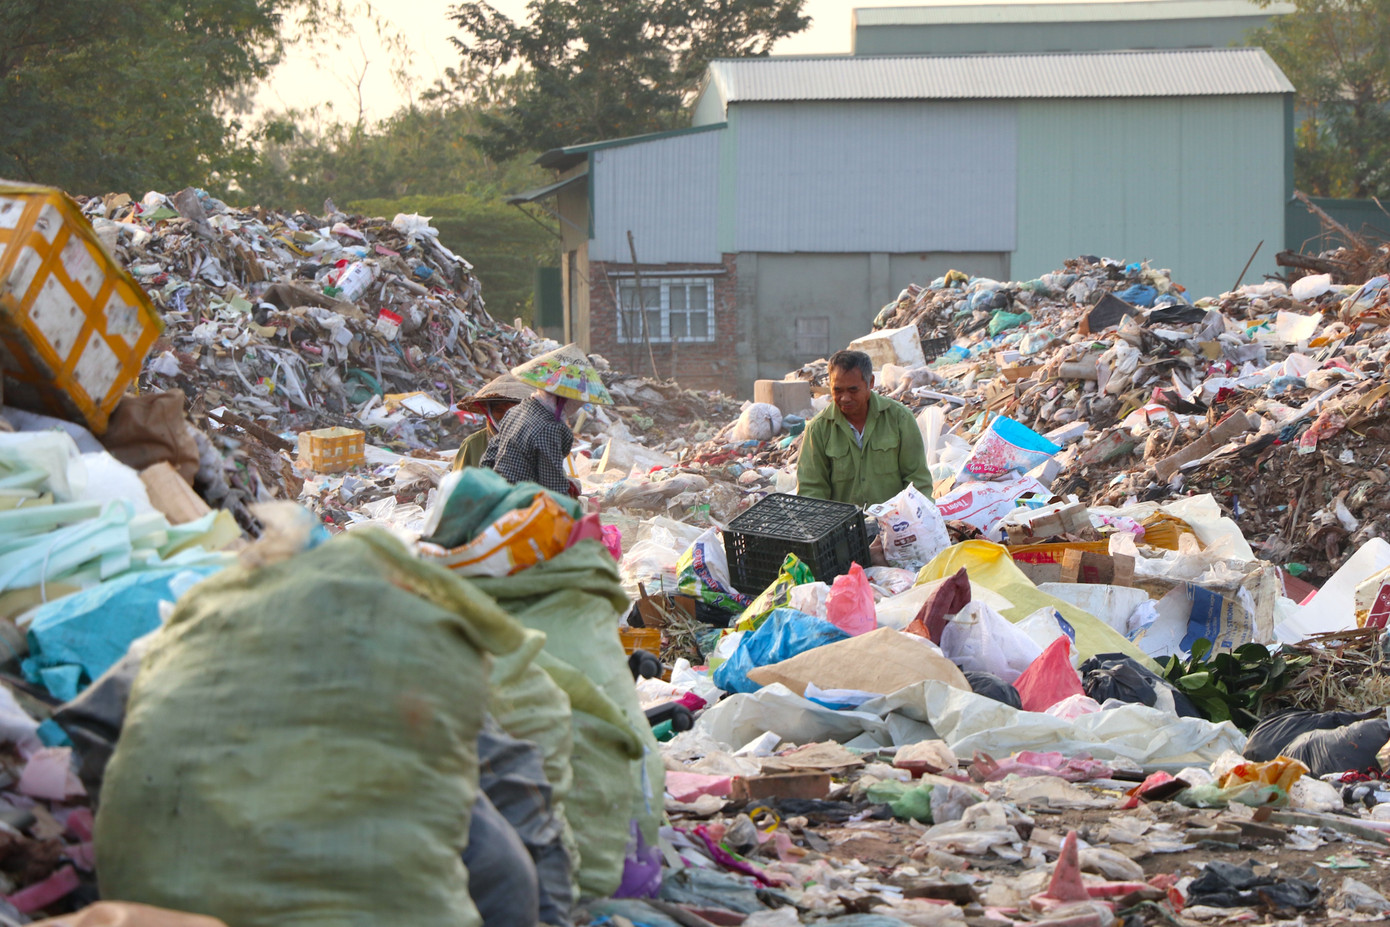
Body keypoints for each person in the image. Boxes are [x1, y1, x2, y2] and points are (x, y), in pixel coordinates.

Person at [796, 349, 933, 507]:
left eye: (853, 390)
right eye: (837, 390)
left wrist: (916, 520)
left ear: (871, 382)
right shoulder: (818, 429)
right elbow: (811, 490)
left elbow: (917, 480)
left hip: (895, 525)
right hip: (844, 528)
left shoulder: (899, 418)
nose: (845, 398)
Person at [481, 343, 613, 498]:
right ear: (566, 399)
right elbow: (553, 488)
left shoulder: (515, 411)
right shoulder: (549, 428)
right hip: (522, 504)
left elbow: (488, 461)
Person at [450, 374, 531, 473]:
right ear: (489, 413)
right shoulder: (473, 444)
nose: (507, 416)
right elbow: (458, 485)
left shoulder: (538, 441)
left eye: (514, 410)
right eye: (499, 410)